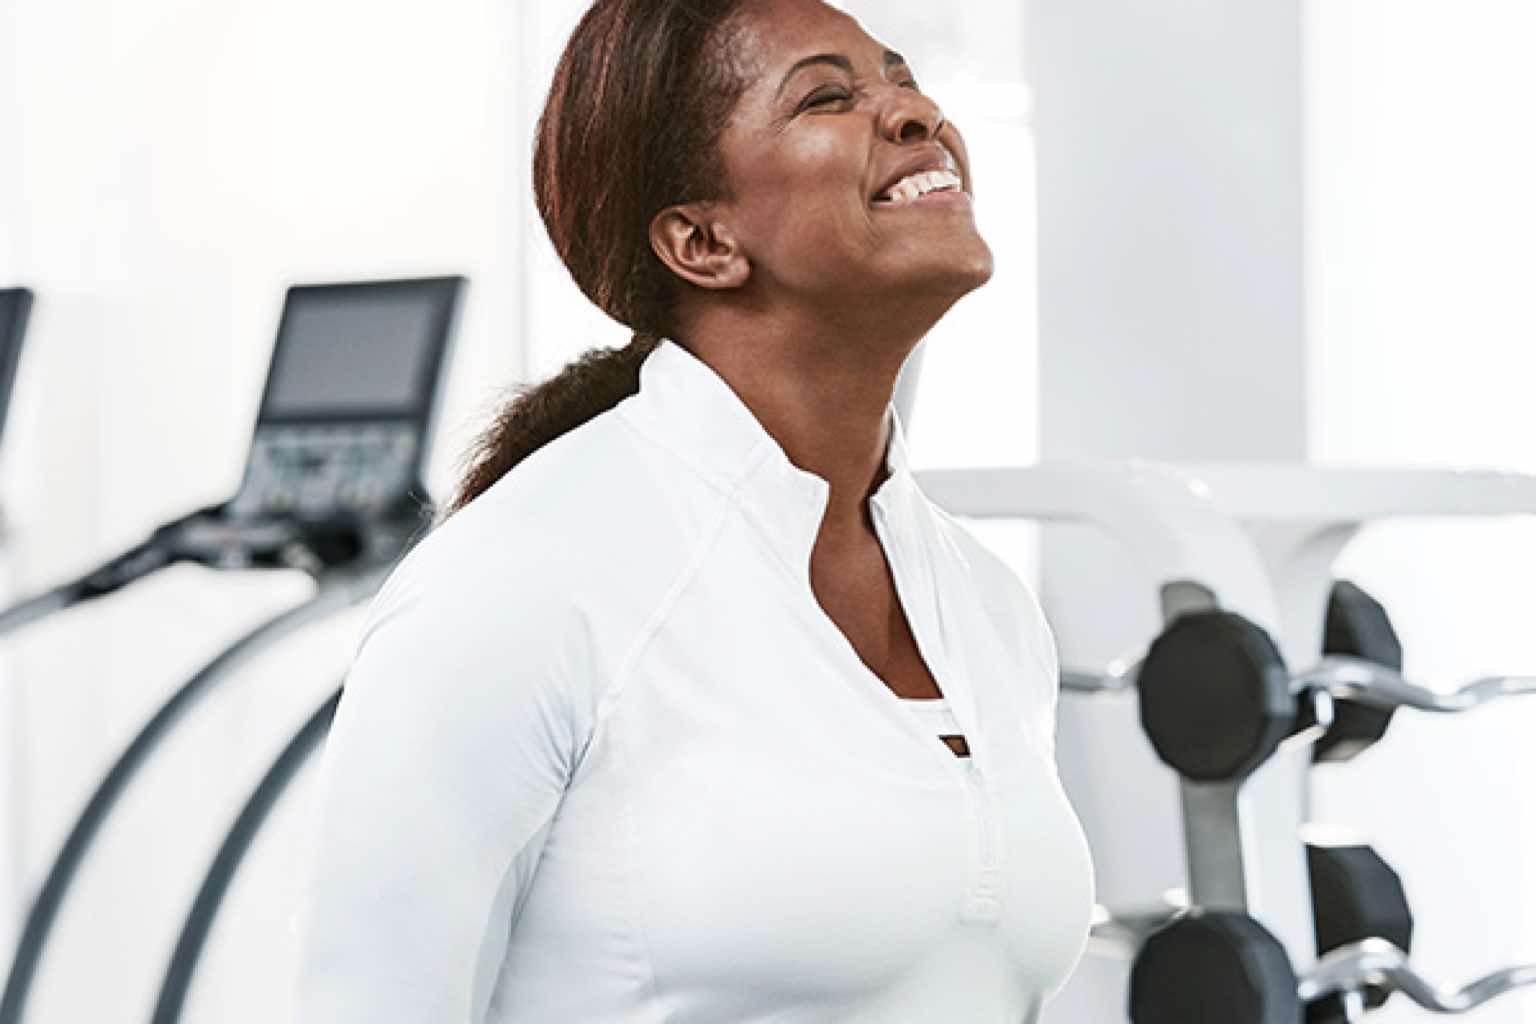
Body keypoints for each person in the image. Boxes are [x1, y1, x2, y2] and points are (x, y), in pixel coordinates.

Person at [296, 0, 1094, 1020]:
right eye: (829, 96)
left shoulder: (986, 605)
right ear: (701, 240)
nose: (914, 112)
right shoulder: (521, 580)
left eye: (900, 78)